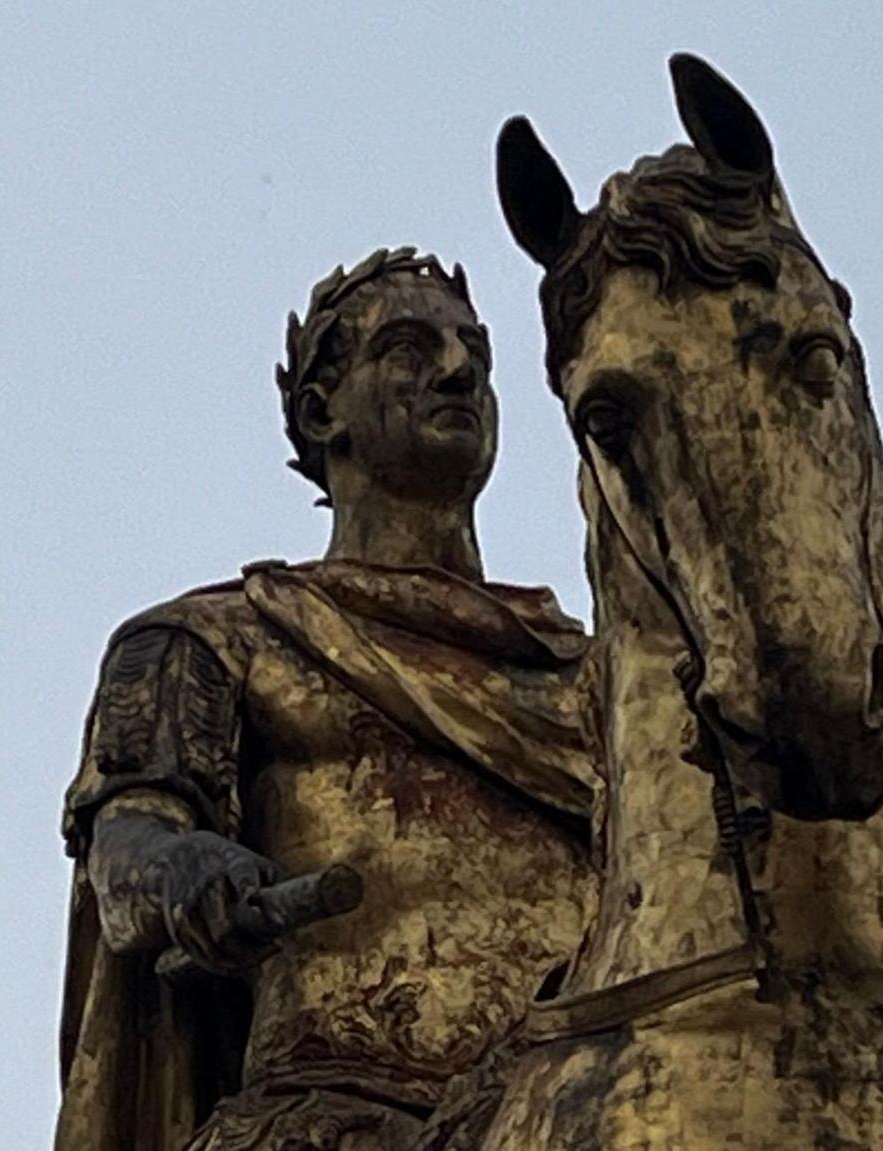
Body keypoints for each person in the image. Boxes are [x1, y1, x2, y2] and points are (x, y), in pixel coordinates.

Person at [55, 248, 597, 1151]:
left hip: (580, 1104)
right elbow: (127, 849)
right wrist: (188, 870)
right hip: (335, 1120)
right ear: (322, 411)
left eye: (476, 352)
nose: (459, 370)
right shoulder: (220, 637)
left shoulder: (602, 679)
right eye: (410, 349)